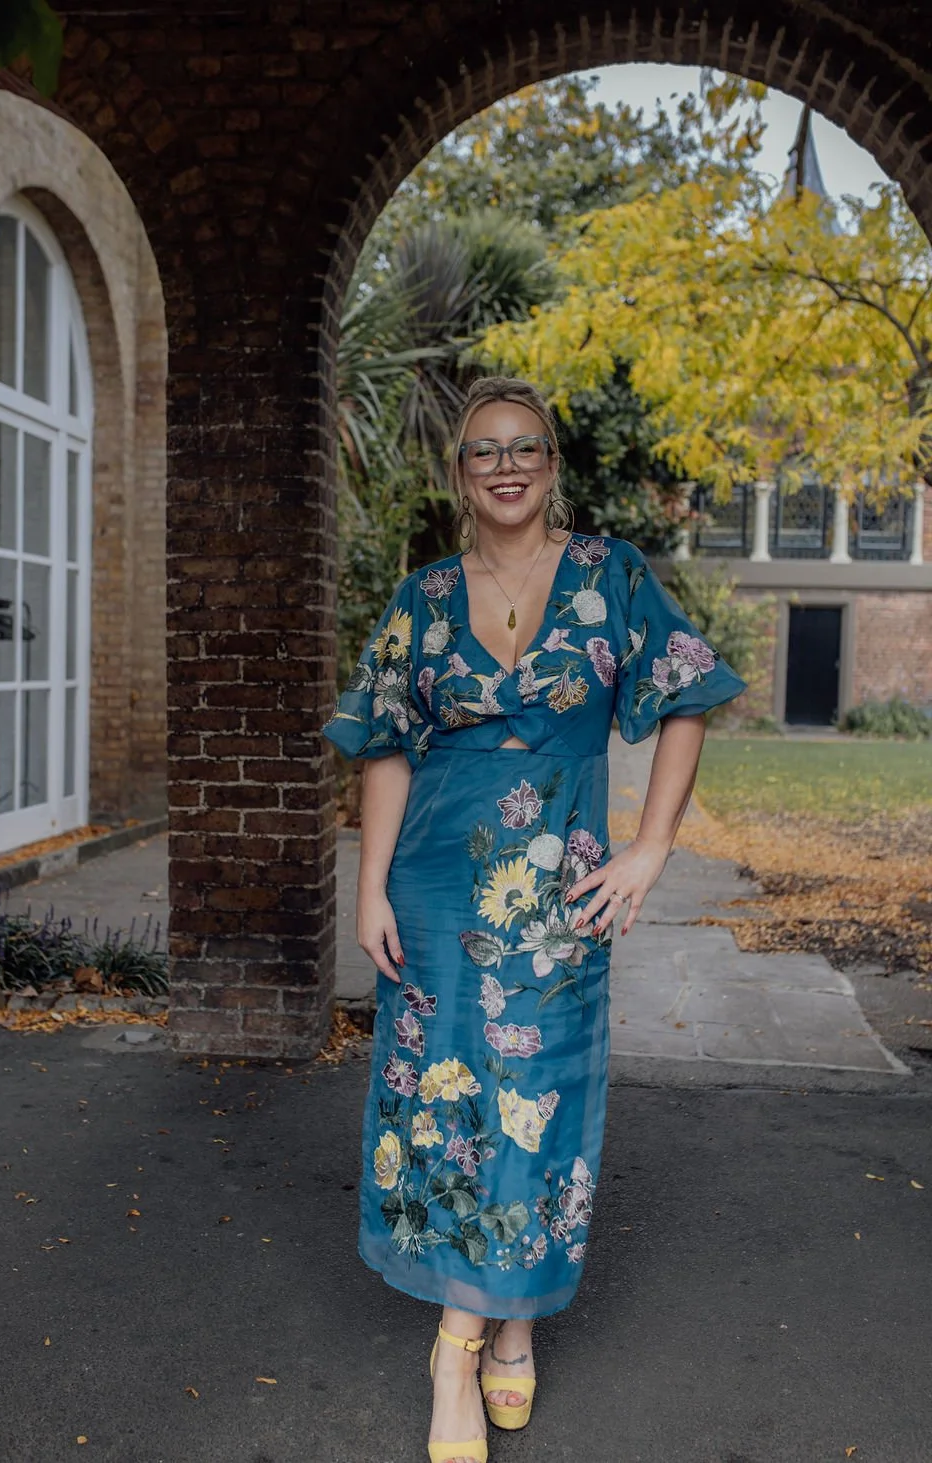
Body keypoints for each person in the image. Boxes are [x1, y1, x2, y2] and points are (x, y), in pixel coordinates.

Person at [322, 376, 746, 1463]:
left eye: (525, 447)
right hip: (432, 885)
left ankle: (463, 1337)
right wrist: (369, 886)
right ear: (458, 475)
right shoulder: (420, 597)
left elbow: (689, 694)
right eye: (481, 451)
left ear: (552, 466)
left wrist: (650, 844)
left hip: (557, 899)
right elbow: (380, 745)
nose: (504, 465)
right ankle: (490, 1330)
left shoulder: (610, 577)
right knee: (446, 1100)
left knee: (538, 1100)